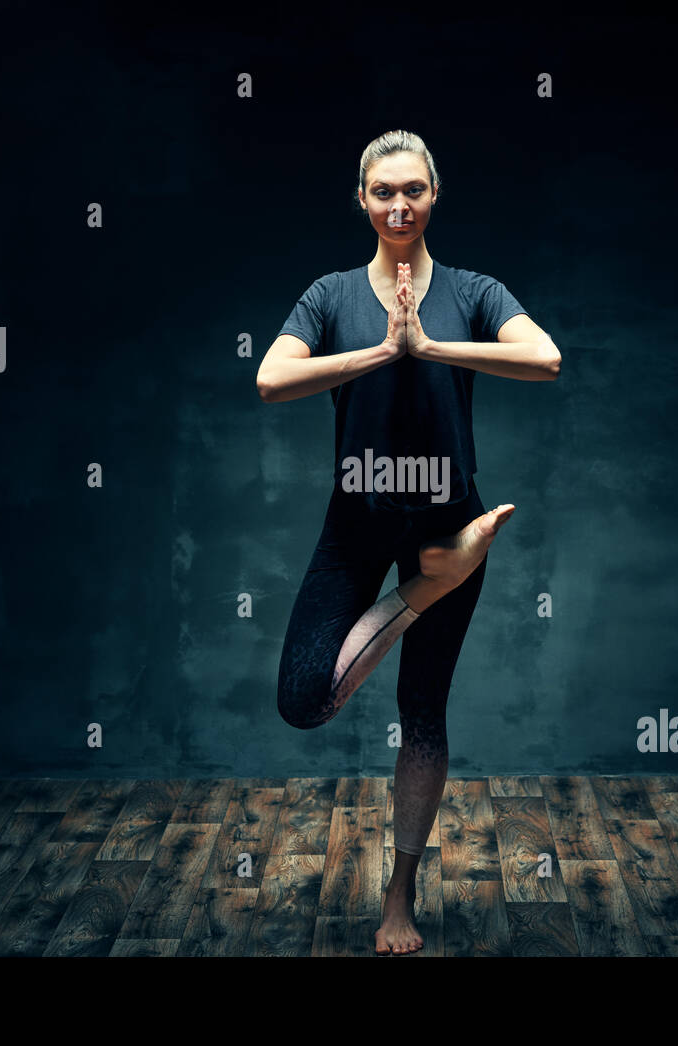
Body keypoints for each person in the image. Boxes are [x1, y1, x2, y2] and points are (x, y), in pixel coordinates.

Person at [257, 130, 561, 954]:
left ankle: (400, 899)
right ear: (361, 198)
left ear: (434, 196)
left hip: (445, 515)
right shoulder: (328, 296)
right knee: (303, 699)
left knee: (421, 713)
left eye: (414, 191)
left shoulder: (473, 290)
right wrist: (381, 350)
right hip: (356, 523)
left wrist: (428, 346)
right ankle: (435, 583)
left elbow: (546, 358)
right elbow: (270, 378)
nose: (399, 206)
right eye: (383, 191)